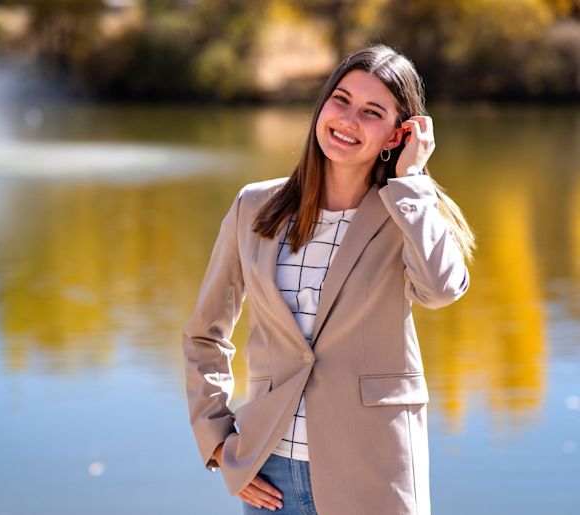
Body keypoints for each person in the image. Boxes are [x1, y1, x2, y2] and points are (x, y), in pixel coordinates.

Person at [182, 44, 475, 515]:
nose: (347, 119)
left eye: (372, 112)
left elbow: (442, 290)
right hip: (269, 474)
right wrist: (216, 441)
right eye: (341, 100)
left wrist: (412, 180)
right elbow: (204, 334)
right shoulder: (253, 207)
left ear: (396, 135)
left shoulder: (406, 211)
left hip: (373, 472)